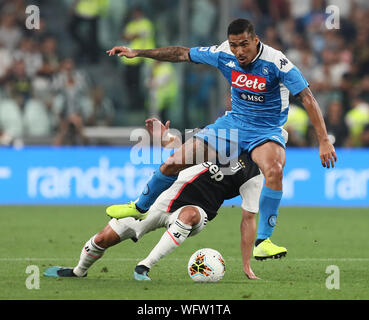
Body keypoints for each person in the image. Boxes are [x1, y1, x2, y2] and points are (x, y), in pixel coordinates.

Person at [106, 18, 336, 251]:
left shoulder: (277, 62)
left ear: (256, 40)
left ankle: (263, 241)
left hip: (266, 130)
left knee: (274, 170)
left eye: (244, 44)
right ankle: (140, 206)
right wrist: (137, 52)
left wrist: (324, 140)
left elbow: (307, 97)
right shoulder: (222, 53)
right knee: (174, 162)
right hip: (233, 124)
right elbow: (180, 53)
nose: (239, 51)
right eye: (234, 45)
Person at [43, 118, 287, 281]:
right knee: (103, 238)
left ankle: (144, 266)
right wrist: (164, 136)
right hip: (163, 198)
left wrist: (246, 265)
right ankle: (78, 271)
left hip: (198, 210)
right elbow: (181, 150)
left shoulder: (254, 177)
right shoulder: (223, 136)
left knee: (189, 216)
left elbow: (248, 218)